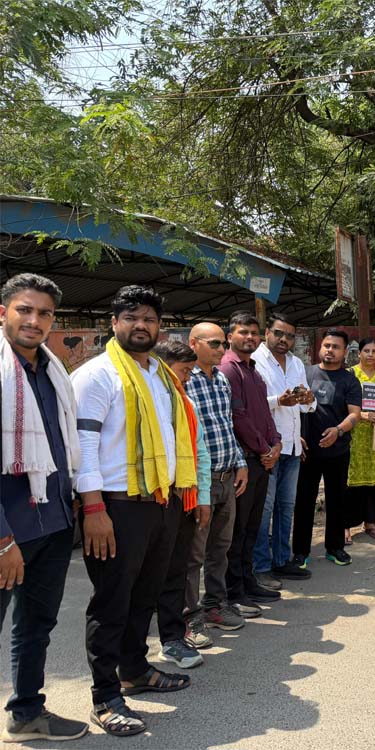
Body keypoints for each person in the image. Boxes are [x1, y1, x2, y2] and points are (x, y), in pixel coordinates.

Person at [72, 285, 199, 737]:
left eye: (148, 318)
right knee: (112, 602)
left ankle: (135, 670)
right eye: (131, 317)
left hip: (160, 502)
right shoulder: (97, 375)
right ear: (113, 323)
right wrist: (93, 508)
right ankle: (105, 697)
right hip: (115, 506)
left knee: (145, 596)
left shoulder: (160, 375)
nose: (140, 325)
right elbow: (83, 446)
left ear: (159, 326)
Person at [0, 274, 88, 743]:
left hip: (53, 522)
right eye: (24, 310)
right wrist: (3, 540)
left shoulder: (54, 374)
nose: (34, 320)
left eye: (44, 313)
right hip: (8, 529)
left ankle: (28, 712)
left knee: (36, 626)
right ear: (3, 313)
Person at [151, 341, 212, 669]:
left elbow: (200, 451)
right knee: (145, 575)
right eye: (184, 371)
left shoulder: (185, 402)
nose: (187, 378)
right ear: (162, 365)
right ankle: (130, 652)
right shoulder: (148, 399)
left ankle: (173, 639)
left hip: (182, 499)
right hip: (148, 500)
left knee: (176, 571)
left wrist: (202, 497)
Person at [184, 322, 248, 636]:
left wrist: (240, 463)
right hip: (201, 480)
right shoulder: (184, 380)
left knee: (220, 549)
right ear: (193, 344)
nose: (221, 349)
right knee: (192, 554)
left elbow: (226, 425)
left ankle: (215, 605)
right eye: (214, 343)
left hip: (227, 476)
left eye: (223, 343)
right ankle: (188, 618)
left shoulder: (221, 379)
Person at [218, 312, 282, 615]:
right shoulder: (228, 370)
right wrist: (264, 448)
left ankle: (247, 581)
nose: (250, 337)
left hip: (262, 459)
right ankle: (233, 592)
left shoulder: (254, 372)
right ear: (230, 336)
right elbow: (237, 417)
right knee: (237, 530)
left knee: (252, 528)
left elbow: (265, 416)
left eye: (254, 333)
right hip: (243, 461)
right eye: (243, 332)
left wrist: (276, 443)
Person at [251, 314, 315, 588]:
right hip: (267, 448)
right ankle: (260, 566)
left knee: (286, 507)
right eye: (278, 333)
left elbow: (305, 405)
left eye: (289, 336)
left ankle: (281, 560)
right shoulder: (254, 361)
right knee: (264, 510)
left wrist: (309, 399)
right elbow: (252, 405)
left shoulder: (297, 363)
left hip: (291, 446)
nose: (283, 340)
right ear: (267, 332)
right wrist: (279, 400)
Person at [294, 330, 361, 565]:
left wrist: (338, 430)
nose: (330, 350)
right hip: (307, 451)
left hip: (338, 450)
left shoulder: (350, 380)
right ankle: (300, 552)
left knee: (337, 500)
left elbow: (355, 414)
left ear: (345, 352)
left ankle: (335, 547)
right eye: (327, 345)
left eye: (335, 347)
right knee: (304, 501)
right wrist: (296, 436)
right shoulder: (305, 373)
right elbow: (292, 407)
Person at [346, 338, 375, 539]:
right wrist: (362, 415)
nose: (370, 354)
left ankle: (370, 522)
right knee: (351, 480)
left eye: (374, 351)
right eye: (366, 350)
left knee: (374, 481)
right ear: (359, 353)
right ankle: (345, 526)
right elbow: (343, 404)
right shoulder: (350, 374)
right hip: (356, 435)